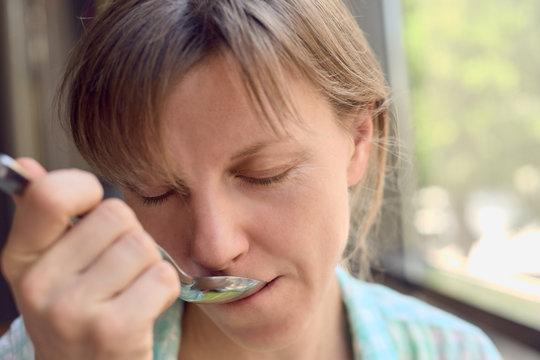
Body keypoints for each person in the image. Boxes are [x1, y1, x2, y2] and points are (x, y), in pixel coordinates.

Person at [0, 0, 502, 359]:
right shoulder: (47, 347)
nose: (214, 248)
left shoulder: (452, 351)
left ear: (359, 140)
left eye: (266, 175)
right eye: (156, 191)